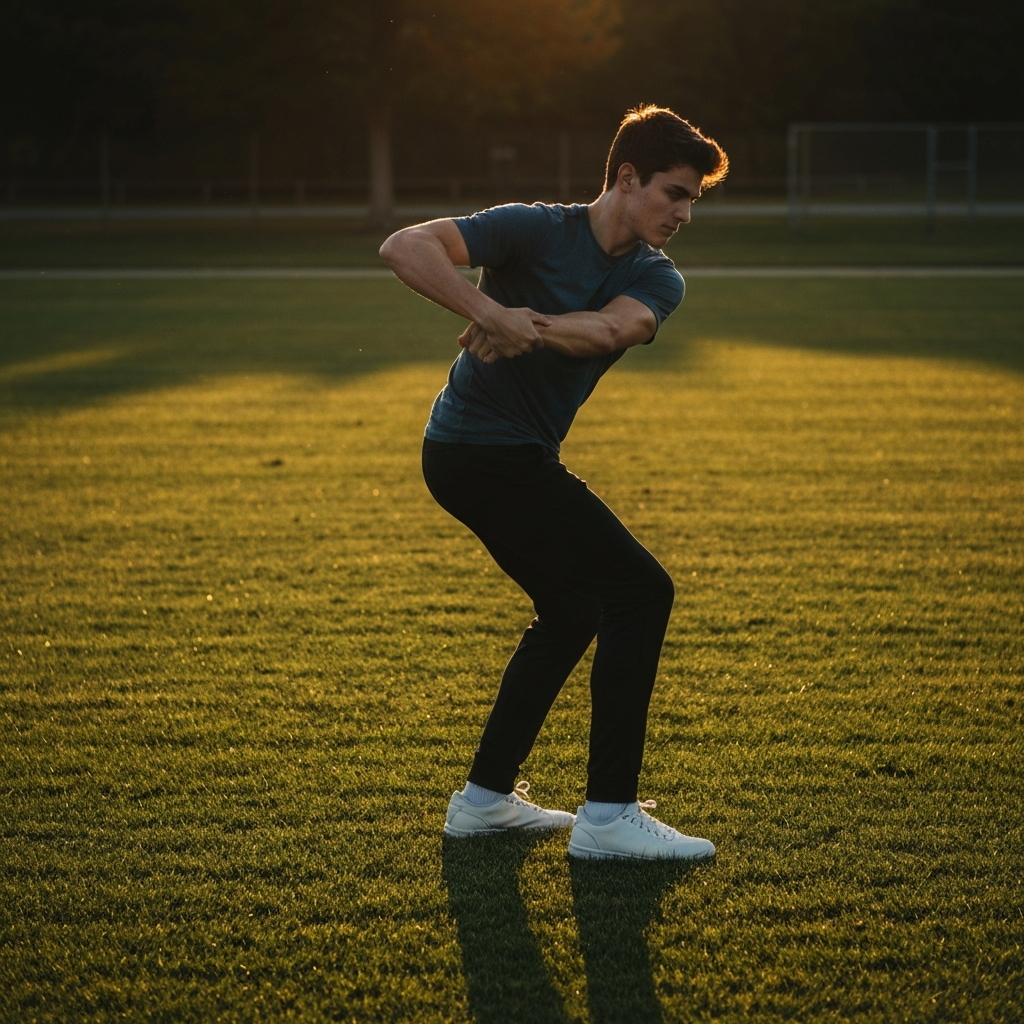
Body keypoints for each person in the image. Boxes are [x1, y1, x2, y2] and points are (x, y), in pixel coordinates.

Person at [380, 105, 728, 860]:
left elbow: (610, 330)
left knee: (572, 611)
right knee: (642, 591)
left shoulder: (653, 276)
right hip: (478, 453)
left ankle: (484, 800)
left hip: (501, 457)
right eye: (674, 192)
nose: (684, 212)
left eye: (693, 199)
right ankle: (608, 816)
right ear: (626, 178)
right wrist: (482, 307)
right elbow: (404, 245)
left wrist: (517, 323)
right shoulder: (534, 227)